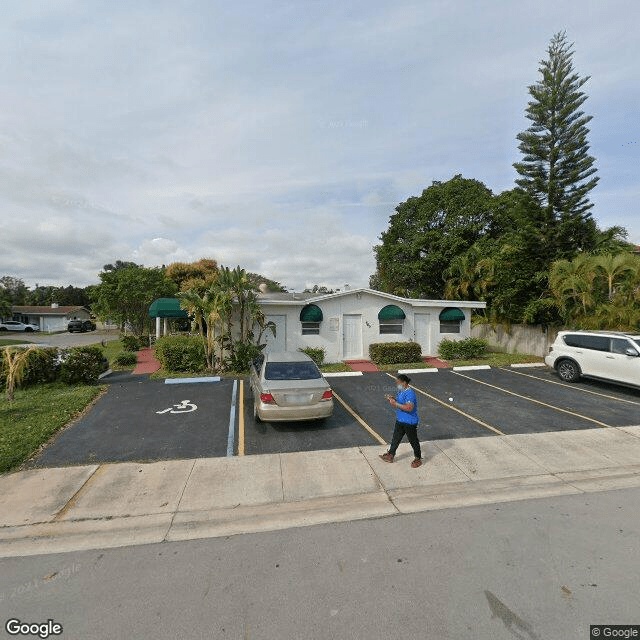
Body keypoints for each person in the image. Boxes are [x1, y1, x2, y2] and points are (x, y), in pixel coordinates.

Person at [379, 374, 422, 467]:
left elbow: (409, 407)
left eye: (398, 383)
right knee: (396, 438)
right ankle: (390, 455)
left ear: (404, 383)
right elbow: (401, 402)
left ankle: (418, 458)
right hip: (400, 420)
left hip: (409, 422)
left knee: (413, 441)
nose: (397, 385)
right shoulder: (401, 391)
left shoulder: (410, 393)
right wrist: (392, 399)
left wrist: (395, 404)